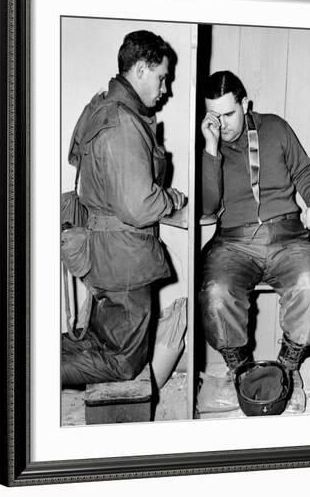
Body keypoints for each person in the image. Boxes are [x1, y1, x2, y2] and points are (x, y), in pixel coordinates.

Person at [61, 30, 185, 387]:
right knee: (123, 365)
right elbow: (139, 206)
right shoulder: (122, 121)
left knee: (100, 343)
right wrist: (172, 199)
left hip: (105, 251)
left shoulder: (101, 107)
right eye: (162, 77)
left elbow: (83, 164)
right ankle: (24, 370)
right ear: (141, 70)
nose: (166, 89)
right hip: (124, 258)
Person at [198, 71, 310, 413]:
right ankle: (240, 372)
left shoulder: (275, 128)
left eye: (229, 114)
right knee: (216, 292)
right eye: (214, 116)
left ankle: (288, 368)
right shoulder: (210, 143)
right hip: (234, 243)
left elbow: (305, 170)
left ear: (245, 104)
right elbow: (208, 207)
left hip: (286, 237)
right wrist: (211, 151)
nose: (222, 124)